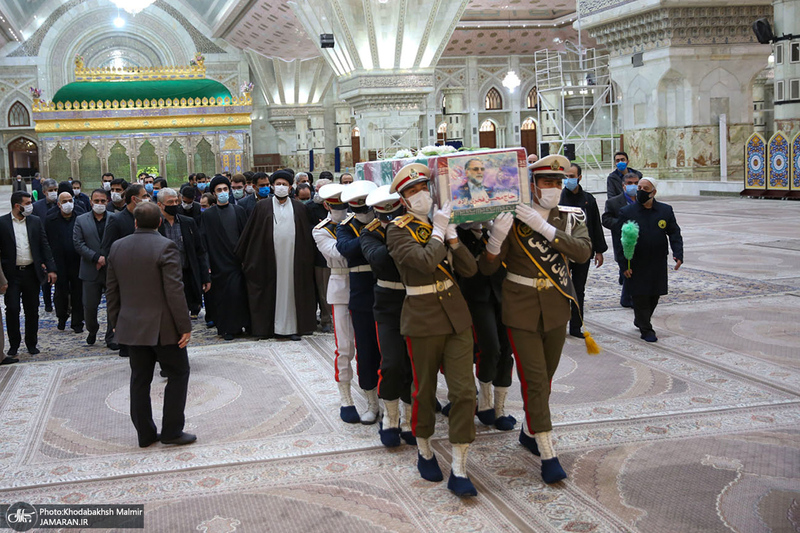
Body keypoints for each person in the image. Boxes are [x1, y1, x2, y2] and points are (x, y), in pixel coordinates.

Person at [478, 154, 592, 485]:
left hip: (556, 307)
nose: (555, 188)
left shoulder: (571, 218)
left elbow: (582, 252)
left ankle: (529, 431)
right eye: (548, 182)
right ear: (533, 184)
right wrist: (496, 240)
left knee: (547, 376)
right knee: (536, 379)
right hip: (521, 308)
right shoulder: (511, 219)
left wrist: (543, 226)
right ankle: (547, 450)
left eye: (559, 182)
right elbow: (487, 269)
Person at [386, 163, 480, 497]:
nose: (420, 195)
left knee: (464, 392)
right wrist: (440, 233)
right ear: (403, 199)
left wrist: (453, 238)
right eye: (412, 191)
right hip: (423, 318)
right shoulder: (396, 230)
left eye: (423, 188)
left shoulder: (442, 224)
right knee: (424, 390)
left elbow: (470, 269)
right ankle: (424, 449)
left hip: (457, 318)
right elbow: (424, 263)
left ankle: (459, 466)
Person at [106, 201, 195, 448]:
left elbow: (111, 291)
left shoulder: (117, 247)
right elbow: (174, 291)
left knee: (140, 379)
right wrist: (184, 325)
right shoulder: (165, 246)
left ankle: (145, 434)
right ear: (158, 222)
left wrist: (115, 322)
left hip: (131, 327)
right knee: (178, 373)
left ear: (135, 222)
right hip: (164, 328)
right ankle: (172, 432)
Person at [360, 185, 416, 446]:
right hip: (387, 303)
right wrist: (397, 235)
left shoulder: (416, 228)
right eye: (384, 219)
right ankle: (390, 420)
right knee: (392, 363)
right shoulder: (369, 233)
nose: (388, 222)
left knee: (412, 365)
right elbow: (378, 259)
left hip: (416, 301)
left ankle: (407, 421)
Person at [236, 170, 316, 340]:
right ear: (272, 186)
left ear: (290, 188)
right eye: (278, 184)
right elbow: (252, 235)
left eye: (284, 185)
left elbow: (306, 236)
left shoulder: (299, 208)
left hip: (293, 259)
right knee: (270, 292)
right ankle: (267, 328)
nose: (281, 187)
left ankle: (292, 328)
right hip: (269, 260)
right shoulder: (262, 207)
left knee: (292, 292)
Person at [455, 221, 516, 431]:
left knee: (506, 350)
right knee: (489, 347)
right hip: (475, 296)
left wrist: (494, 229)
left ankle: (500, 408)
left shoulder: (498, 227)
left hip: (503, 292)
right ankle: (485, 402)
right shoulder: (456, 232)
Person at [613, 177, 683, 342]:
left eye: (646, 189)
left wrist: (678, 253)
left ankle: (641, 319)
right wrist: (623, 264)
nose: (641, 191)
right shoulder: (627, 212)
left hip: (657, 261)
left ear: (654, 193)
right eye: (639, 188)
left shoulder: (665, 211)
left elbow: (674, 233)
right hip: (636, 262)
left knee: (654, 295)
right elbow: (619, 240)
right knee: (640, 295)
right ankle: (646, 329)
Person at [336, 180, 382, 424]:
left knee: (392, 352)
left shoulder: (387, 220)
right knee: (366, 352)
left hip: (388, 293)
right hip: (362, 297)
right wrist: (370, 236)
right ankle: (372, 403)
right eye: (357, 209)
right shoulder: (346, 227)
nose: (363, 213)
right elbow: (345, 248)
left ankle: (395, 401)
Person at [314, 183, 359, 421]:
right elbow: (339, 253)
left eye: (344, 203)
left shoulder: (358, 222)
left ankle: (372, 394)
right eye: (335, 205)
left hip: (364, 282)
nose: (340, 208)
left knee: (368, 345)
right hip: (341, 284)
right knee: (344, 347)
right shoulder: (320, 230)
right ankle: (346, 398)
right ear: (326, 205)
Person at [0, 191, 57, 361]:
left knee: (32, 309)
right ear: (17, 206)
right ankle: (14, 344)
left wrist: (52, 269)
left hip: (32, 272)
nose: (30, 205)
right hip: (11, 275)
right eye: (27, 203)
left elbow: (44, 245)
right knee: (12, 309)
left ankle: (31, 343)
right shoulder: (2, 223)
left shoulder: (35, 221)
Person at [560, 162, 607, 338]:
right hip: (561, 251)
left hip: (582, 251)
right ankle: (558, 324)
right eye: (565, 177)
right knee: (559, 289)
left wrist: (599, 251)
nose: (568, 180)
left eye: (571, 177)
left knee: (579, 289)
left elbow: (594, 226)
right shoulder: (557, 198)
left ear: (579, 177)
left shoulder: (588, 199)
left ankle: (576, 326)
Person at [101, 184, 148, 355]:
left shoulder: (146, 217)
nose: (146, 198)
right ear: (134, 199)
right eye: (144, 196)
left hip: (145, 273)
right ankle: (120, 341)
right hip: (124, 273)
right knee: (122, 308)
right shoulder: (117, 219)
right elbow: (107, 248)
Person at [200, 176, 249, 339]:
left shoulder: (239, 211)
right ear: (214, 193)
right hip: (219, 264)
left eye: (225, 189)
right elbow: (204, 242)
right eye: (219, 190)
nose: (223, 193)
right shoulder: (208, 215)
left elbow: (245, 236)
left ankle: (244, 325)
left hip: (238, 262)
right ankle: (228, 328)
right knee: (223, 298)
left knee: (240, 295)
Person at [157, 188, 210, 318]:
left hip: (186, 271)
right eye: (170, 202)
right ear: (160, 205)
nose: (174, 205)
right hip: (164, 275)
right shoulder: (155, 225)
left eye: (176, 201)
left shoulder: (188, 223)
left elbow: (200, 251)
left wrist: (205, 276)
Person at [73, 189, 114, 348]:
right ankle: (92, 329)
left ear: (107, 202)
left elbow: (118, 242)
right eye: (96, 201)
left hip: (111, 270)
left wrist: (106, 259)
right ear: (91, 202)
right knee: (89, 306)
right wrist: (96, 258)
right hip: (90, 269)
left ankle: (111, 337)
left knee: (113, 305)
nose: (99, 204)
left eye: (103, 201)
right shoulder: (81, 220)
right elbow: (78, 243)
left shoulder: (114, 219)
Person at [46, 192, 83, 333]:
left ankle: (77, 322)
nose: (68, 204)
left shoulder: (80, 216)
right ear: (59, 204)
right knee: (60, 292)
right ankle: (62, 317)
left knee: (78, 292)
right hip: (58, 262)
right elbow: (46, 242)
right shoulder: (50, 220)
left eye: (70, 200)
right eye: (64, 201)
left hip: (77, 260)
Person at [602, 172, 640, 308]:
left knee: (638, 272)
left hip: (641, 242)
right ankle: (627, 299)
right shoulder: (613, 202)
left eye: (636, 183)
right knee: (626, 270)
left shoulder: (643, 200)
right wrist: (623, 225)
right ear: (623, 186)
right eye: (630, 184)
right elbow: (606, 219)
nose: (633, 186)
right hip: (623, 242)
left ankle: (635, 297)